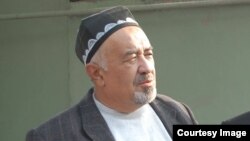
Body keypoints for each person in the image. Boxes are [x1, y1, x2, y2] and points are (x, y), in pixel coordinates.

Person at [26, 6, 197, 141]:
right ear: (97, 73)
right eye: (131, 58)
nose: (146, 67)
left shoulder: (176, 112)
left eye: (148, 54)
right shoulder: (54, 135)